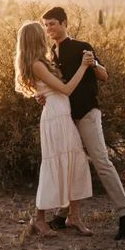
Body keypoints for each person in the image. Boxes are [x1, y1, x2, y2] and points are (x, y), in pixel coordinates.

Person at [40, 6, 125, 240]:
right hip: (66, 116)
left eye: (52, 23)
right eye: (45, 25)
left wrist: (93, 64)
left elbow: (104, 75)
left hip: (87, 113)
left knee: (101, 161)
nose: (49, 29)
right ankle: (63, 215)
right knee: (71, 161)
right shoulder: (50, 54)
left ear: (64, 23)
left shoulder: (81, 46)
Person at [15, 21, 94, 238]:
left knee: (75, 161)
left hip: (62, 116)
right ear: (35, 39)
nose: (46, 35)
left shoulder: (43, 62)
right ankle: (39, 219)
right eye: (42, 33)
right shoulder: (37, 65)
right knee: (54, 166)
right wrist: (84, 66)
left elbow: (49, 91)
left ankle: (74, 216)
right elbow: (67, 89)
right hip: (54, 119)